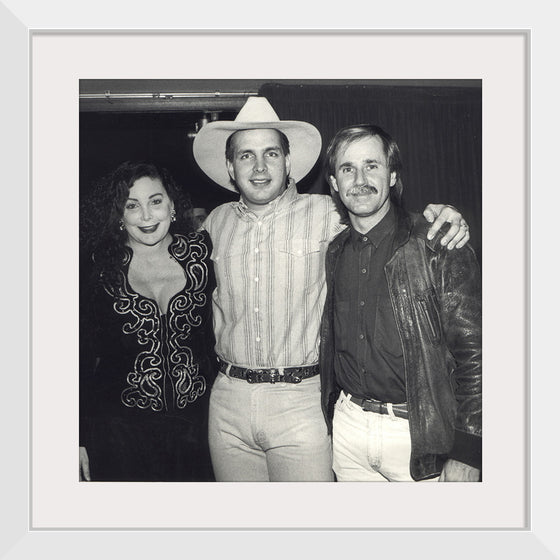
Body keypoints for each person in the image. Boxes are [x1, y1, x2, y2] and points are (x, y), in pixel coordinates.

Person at [192, 97, 471, 482]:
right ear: (229, 166)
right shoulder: (213, 224)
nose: (259, 167)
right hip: (227, 401)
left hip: (301, 400)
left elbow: (386, 218)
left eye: (271, 153)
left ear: (288, 163)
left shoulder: (329, 212)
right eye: (245, 156)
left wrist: (443, 216)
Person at [319, 124, 481, 482]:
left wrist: (470, 451)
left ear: (392, 175)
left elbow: (477, 353)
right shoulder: (334, 251)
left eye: (372, 165)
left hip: (419, 433)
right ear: (333, 183)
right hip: (348, 430)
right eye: (347, 168)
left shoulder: (437, 243)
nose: (360, 179)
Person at [79, 161, 216, 482]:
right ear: (119, 215)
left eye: (155, 201)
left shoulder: (203, 255)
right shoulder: (97, 267)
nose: (146, 216)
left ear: (172, 205)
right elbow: (77, 356)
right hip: (119, 432)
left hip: (198, 429)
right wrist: (77, 435)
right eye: (132, 205)